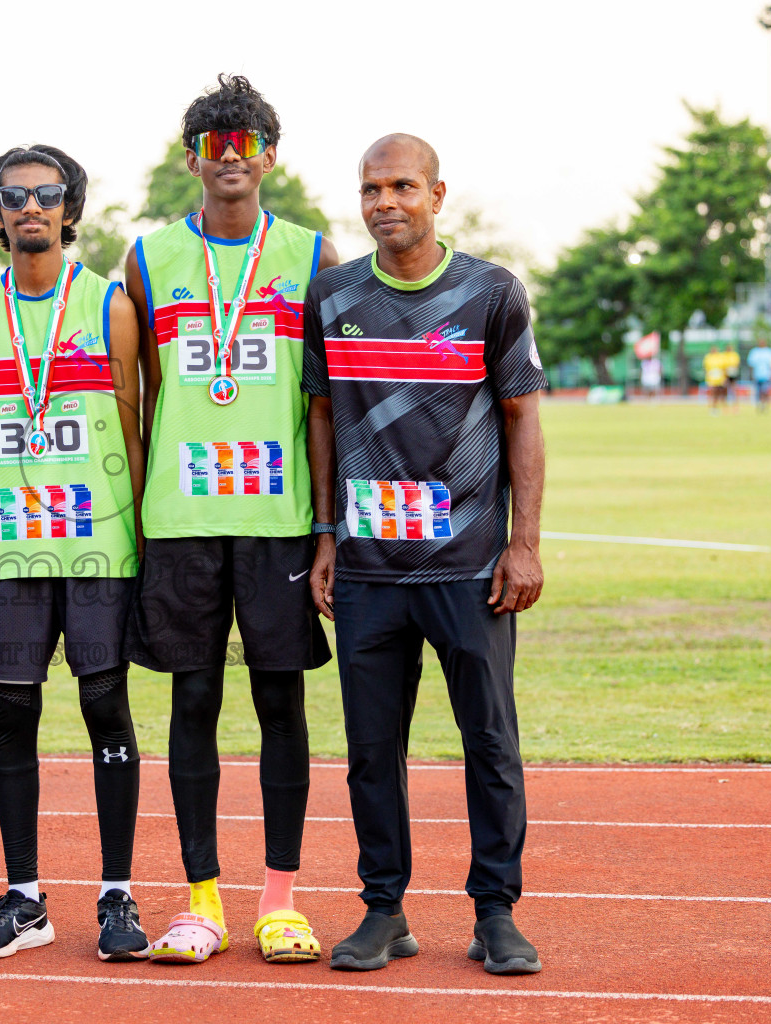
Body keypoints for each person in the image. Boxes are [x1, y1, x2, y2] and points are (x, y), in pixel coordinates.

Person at [303, 134, 547, 976]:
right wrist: (326, 534)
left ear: (438, 194)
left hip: (470, 567)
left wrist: (524, 544)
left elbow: (521, 417)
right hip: (368, 569)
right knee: (372, 749)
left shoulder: (490, 292)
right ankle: (384, 910)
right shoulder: (331, 298)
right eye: (371, 189)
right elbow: (323, 418)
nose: (384, 203)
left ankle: (495, 913)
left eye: (402, 186)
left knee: (489, 741)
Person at [124, 73, 341, 966]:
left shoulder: (314, 256)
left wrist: (327, 524)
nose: (230, 159)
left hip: (278, 516)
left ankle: (281, 901)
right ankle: (201, 900)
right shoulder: (145, 260)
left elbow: (324, 400)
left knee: (279, 700)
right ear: (191, 159)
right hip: (180, 520)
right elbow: (133, 400)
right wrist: (132, 517)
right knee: (194, 699)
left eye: (245, 144)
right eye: (215, 146)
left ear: (270, 157)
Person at [0, 145, 150, 962]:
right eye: (13, 194)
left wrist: (146, 542)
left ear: (71, 209)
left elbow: (136, 420)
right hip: (7, 553)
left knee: (105, 704)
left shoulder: (110, 306)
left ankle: (117, 894)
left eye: (47, 193)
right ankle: (26, 897)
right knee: (13, 714)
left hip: (99, 549)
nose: (30, 206)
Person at [747, 338, 771, 412]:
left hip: (766, 375)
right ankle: (759, 405)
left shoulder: (769, 352)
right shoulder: (754, 352)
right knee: (758, 392)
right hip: (757, 375)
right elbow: (751, 365)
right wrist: (751, 375)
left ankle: (765, 405)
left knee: (765, 391)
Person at [703, 345, 728, 414]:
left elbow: (724, 368)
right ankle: (712, 407)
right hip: (712, 378)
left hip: (719, 378)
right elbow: (706, 368)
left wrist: (724, 378)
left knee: (719, 393)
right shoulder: (708, 357)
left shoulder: (721, 357)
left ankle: (718, 406)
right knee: (712, 392)